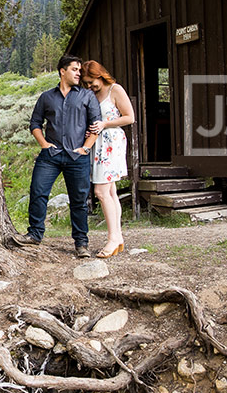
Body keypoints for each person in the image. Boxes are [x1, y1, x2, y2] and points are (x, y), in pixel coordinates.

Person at [13, 54, 101, 258]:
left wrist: (86, 148)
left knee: (79, 200)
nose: (79, 73)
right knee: (38, 192)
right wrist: (44, 144)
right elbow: (35, 124)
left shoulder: (87, 96)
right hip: (51, 155)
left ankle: (81, 243)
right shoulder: (47, 97)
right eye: (75, 69)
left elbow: (96, 125)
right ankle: (35, 234)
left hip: (77, 156)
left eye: (80, 70)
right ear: (62, 71)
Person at [82, 60, 135, 258]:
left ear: (100, 75)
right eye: (86, 83)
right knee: (110, 192)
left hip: (111, 142)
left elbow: (129, 117)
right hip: (98, 143)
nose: (89, 86)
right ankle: (118, 237)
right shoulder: (93, 94)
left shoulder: (115, 89)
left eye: (91, 81)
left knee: (101, 191)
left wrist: (105, 123)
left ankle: (112, 238)